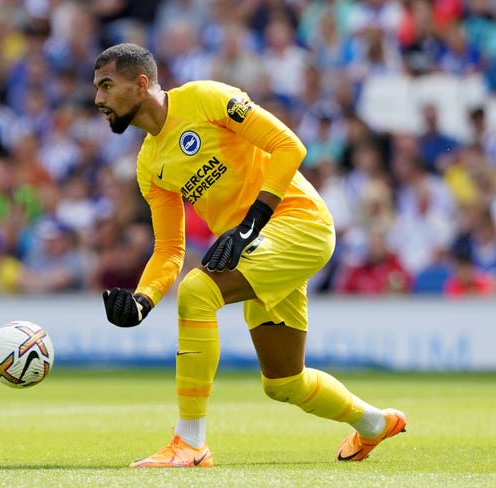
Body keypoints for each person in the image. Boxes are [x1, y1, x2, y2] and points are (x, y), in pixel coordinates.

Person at [94, 43, 406, 468]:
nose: (99, 100)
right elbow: (170, 248)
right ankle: (375, 423)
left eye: (107, 86)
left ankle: (190, 443)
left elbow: (289, 146)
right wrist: (142, 300)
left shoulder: (204, 98)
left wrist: (251, 224)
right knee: (283, 382)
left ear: (141, 84)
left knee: (198, 291)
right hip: (257, 245)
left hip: (299, 223)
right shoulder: (150, 163)